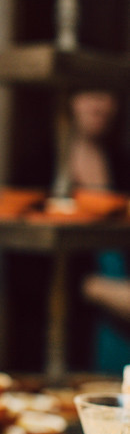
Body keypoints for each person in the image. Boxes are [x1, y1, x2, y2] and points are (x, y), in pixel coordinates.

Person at [67, 89, 130, 373]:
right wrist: (93, 287)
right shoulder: (43, 166)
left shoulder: (122, 165)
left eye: (105, 94)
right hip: (76, 320)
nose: (98, 104)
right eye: (88, 93)